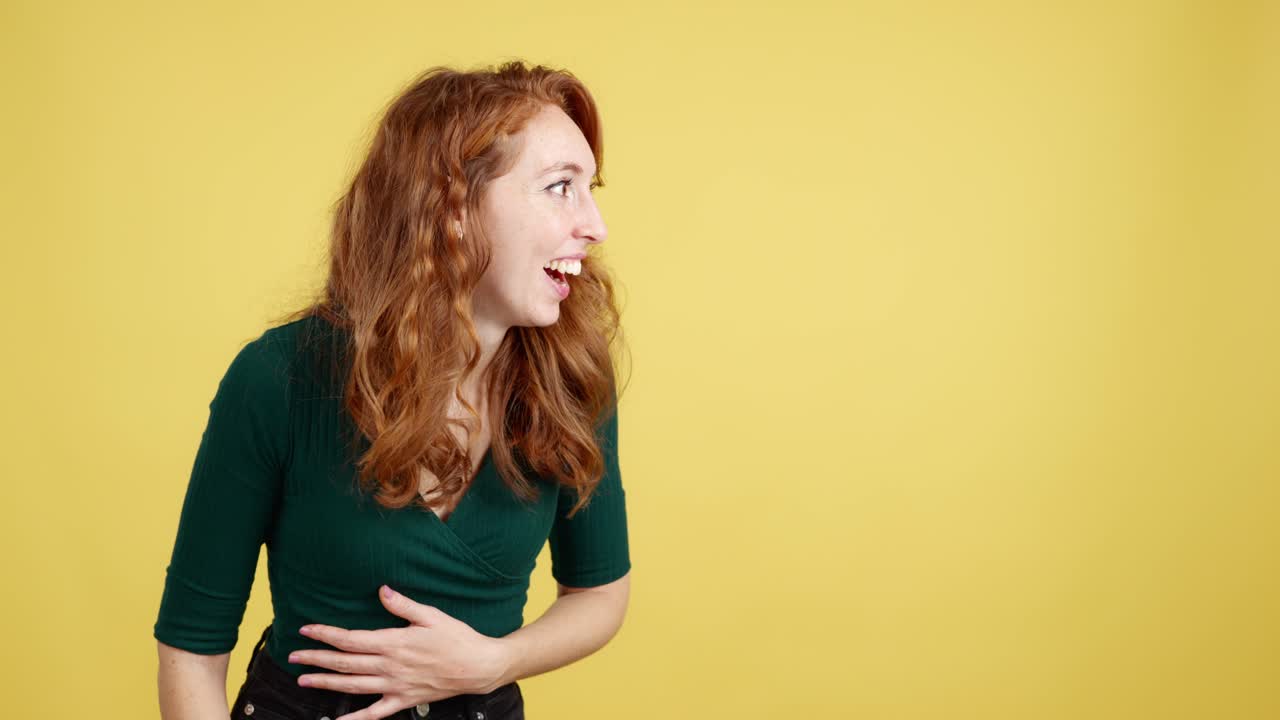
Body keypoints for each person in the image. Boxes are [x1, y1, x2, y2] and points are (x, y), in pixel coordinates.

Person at [154, 60, 632, 720]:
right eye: (559, 188)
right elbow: (190, 650)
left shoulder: (575, 377)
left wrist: (494, 661)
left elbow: (602, 595)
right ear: (454, 207)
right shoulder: (278, 379)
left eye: (590, 188)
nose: (595, 224)